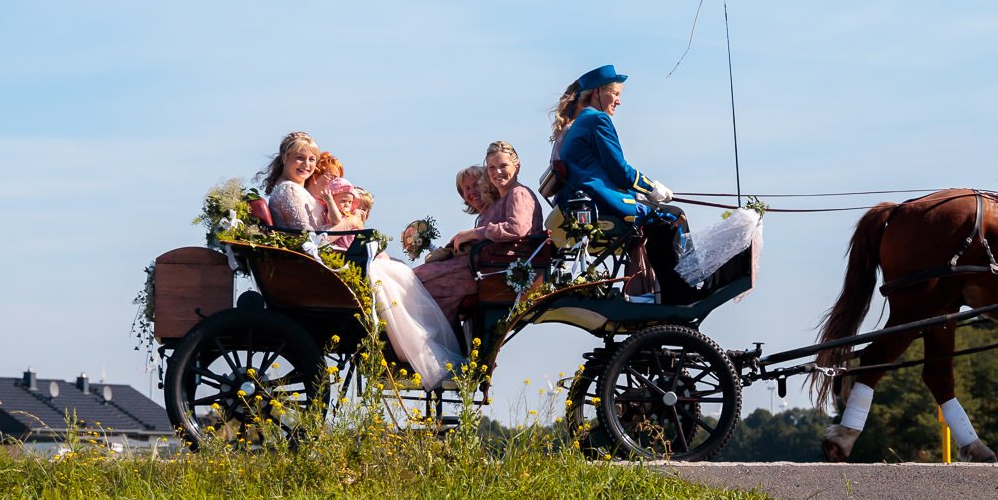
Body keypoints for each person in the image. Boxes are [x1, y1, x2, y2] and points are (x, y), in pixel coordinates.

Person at [258, 132, 464, 388]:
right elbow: (309, 240)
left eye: (311, 159)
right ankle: (411, 352)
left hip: (315, 261)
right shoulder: (289, 191)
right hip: (314, 265)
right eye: (300, 158)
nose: (307, 165)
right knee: (389, 273)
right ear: (285, 157)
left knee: (393, 270)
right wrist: (349, 224)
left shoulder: (296, 189)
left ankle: (408, 351)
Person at [549, 65, 688, 301]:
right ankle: (677, 290)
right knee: (673, 217)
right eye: (615, 94)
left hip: (587, 200)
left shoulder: (581, 122)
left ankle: (664, 289)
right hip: (599, 203)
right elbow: (619, 171)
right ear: (597, 93)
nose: (619, 101)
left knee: (663, 216)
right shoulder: (597, 119)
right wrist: (650, 187)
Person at [418, 142, 547, 324]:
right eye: (492, 168)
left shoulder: (519, 193)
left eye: (503, 166)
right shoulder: (503, 199)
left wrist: (472, 234)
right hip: (486, 265)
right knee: (419, 278)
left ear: (517, 166)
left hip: (496, 269)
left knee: (419, 281)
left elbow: (517, 229)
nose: (497, 172)